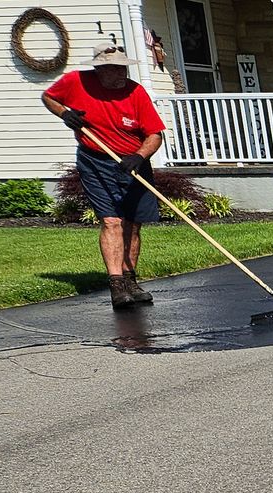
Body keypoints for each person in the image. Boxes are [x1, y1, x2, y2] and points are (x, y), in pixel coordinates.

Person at [41, 46, 166, 308]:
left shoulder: (135, 92)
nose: (121, 73)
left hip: (133, 162)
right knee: (112, 221)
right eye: (114, 69)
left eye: (123, 67)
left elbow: (155, 135)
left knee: (133, 223)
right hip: (95, 160)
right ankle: (117, 284)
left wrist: (139, 157)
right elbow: (48, 97)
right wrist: (65, 114)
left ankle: (131, 279)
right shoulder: (76, 81)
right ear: (99, 69)